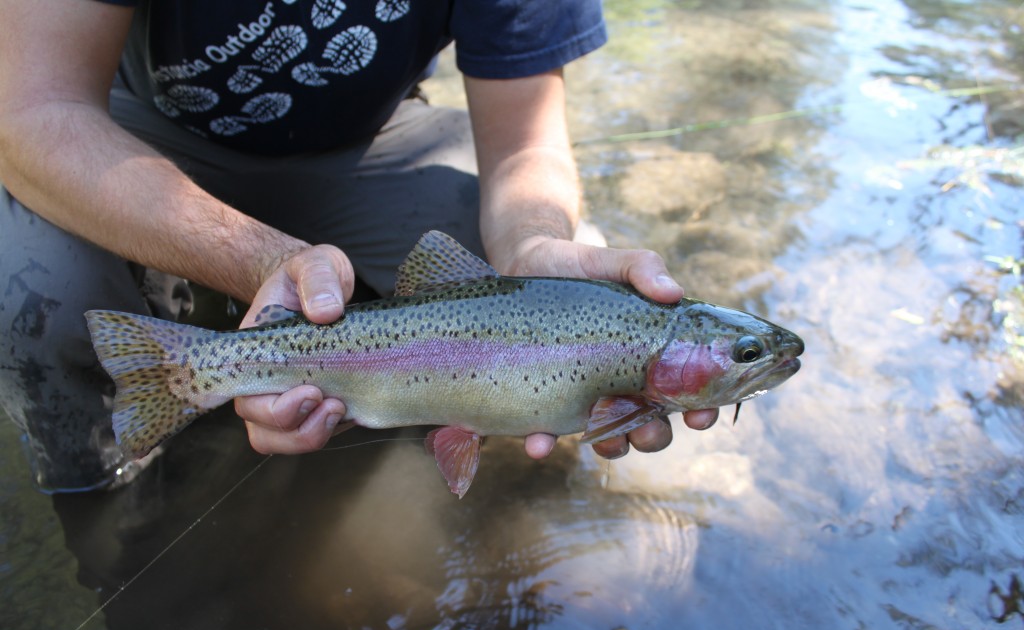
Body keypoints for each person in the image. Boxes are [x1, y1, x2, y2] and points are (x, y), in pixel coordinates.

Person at [0, 0, 718, 493]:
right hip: (133, 140)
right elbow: (29, 114)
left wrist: (533, 245)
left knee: (571, 270)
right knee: (37, 300)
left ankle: (410, 403)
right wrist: (260, 262)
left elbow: (526, 142)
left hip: (372, 141)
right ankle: (104, 502)